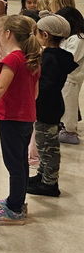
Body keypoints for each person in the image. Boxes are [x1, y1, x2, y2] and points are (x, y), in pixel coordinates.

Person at [0, 15, 40, 225]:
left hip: (13, 118)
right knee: (20, 162)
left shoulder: (12, 59)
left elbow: (0, 87)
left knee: (13, 163)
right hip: (26, 117)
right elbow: (35, 93)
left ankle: (14, 209)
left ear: (8, 34)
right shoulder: (30, 58)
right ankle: (17, 200)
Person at [28, 13, 76, 197]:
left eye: (37, 33)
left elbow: (44, 85)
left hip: (46, 106)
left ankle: (49, 183)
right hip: (53, 104)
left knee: (48, 146)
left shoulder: (49, 58)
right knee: (44, 144)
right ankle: (43, 174)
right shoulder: (62, 56)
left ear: (45, 35)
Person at [56, 6, 84, 144]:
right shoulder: (68, 38)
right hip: (63, 77)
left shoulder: (79, 38)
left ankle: (70, 131)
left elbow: (70, 58)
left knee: (69, 104)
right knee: (63, 103)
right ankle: (63, 127)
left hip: (71, 78)